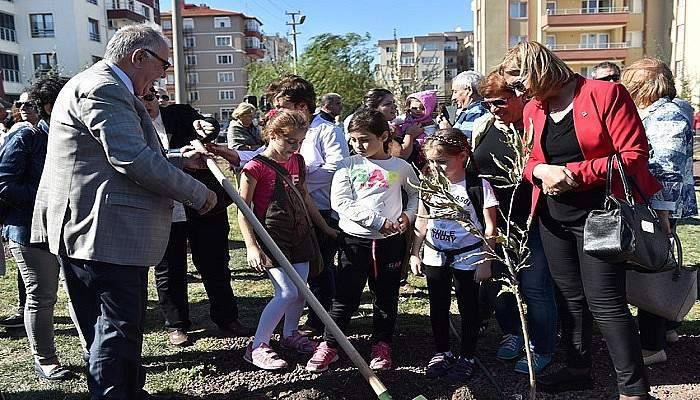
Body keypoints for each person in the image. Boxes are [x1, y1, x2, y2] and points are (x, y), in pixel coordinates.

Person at [30, 23, 217, 400]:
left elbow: (118, 153)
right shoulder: (103, 88)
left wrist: (182, 160)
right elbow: (130, 158)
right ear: (138, 57)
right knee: (114, 327)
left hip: (94, 230)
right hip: (99, 231)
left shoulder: (102, 85)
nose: (163, 75)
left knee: (114, 326)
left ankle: (128, 390)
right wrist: (201, 195)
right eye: (163, 65)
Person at [499, 41, 660, 399]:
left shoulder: (605, 94)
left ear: (539, 68)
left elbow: (633, 157)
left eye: (520, 79)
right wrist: (540, 169)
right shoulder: (532, 111)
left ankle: (634, 389)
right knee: (569, 299)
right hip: (554, 218)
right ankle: (578, 369)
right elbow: (525, 163)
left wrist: (573, 173)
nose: (518, 90)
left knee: (605, 301)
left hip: (601, 216)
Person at [305, 108, 419, 373]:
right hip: (354, 243)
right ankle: (330, 345)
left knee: (386, 297)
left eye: (365, 139)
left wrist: (408, 216)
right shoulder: (348, 165)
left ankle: (381, 345)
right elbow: (341, 202)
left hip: (390, 245)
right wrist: (377, 222)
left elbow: (415, 195)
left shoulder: (401, 167)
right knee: (345, 296)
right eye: (353, 140)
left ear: (384, 136)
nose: (358, 145)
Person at [139, 88, 249, 347]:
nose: (146, 104)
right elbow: (142, 159)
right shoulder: (130, 125)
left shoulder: (180, 114)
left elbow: (206, 125)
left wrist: (207, 125)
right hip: (163, 204)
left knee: (215, 261)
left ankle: (227, 318)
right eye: (139, 100)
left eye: (149, 98)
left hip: (202, 200)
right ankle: (177, 324)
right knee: (169, 268)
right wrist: (181, 160)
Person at [238, 109, 337, 370]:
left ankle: (290, 333)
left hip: (300, 233)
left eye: (300, 142)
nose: (295, 147)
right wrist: (251, 246)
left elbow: (304, 197)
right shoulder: (254, 167)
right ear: (273, 134)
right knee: (286, 292)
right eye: (290, 141)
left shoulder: (297, 162)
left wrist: (324, 227)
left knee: (300, 292)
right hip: (272, 237)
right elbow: (243, 210)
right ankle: (257, 345)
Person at [0, 76, 84, 381]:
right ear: (51, 106)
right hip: (27, 230)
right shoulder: (27, 138)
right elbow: (4, 184)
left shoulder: (73, 136)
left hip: (67, 228)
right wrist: (46, 202)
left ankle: (92, 350)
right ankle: (45, 360)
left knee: (78, 291)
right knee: (42, 295)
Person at [621, 58, 698, 365]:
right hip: (654, 204)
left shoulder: (665, 115)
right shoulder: (662, 112)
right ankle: (667, 326)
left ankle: (652, 345)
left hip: (656, 206)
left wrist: (662, 216)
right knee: (655, 265)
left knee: (651, 268)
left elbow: (666, 168)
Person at [409, 128, 496, 381]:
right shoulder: (429, 183)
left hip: (468, 255)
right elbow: (423, 219)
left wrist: (486, 261)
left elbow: (491, 227)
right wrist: (416, 252)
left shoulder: (478, 185)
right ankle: (442, 351)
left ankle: (467, 355)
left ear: (462, 156)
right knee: (437, 305)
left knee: (469, 307)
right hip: (436, 253)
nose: (436, 167)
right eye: (432, 162)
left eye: (442, 162)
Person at [297, 90, 350, 334]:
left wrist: (299, 179)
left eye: (283, 104)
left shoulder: (328, 130)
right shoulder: (295, 130)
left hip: (324, 207)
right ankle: (312, 312)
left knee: (321, 265)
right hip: (300, 206)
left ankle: (321, 319)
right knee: (306, 264)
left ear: (301, 106)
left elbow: (337, 168)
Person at [439, 71, 489, 141]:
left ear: (469, 90)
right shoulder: (471, 110)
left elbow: (465, 143)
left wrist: (447, 131)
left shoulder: (476, 111)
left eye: (455, 92)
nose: (453, 98)